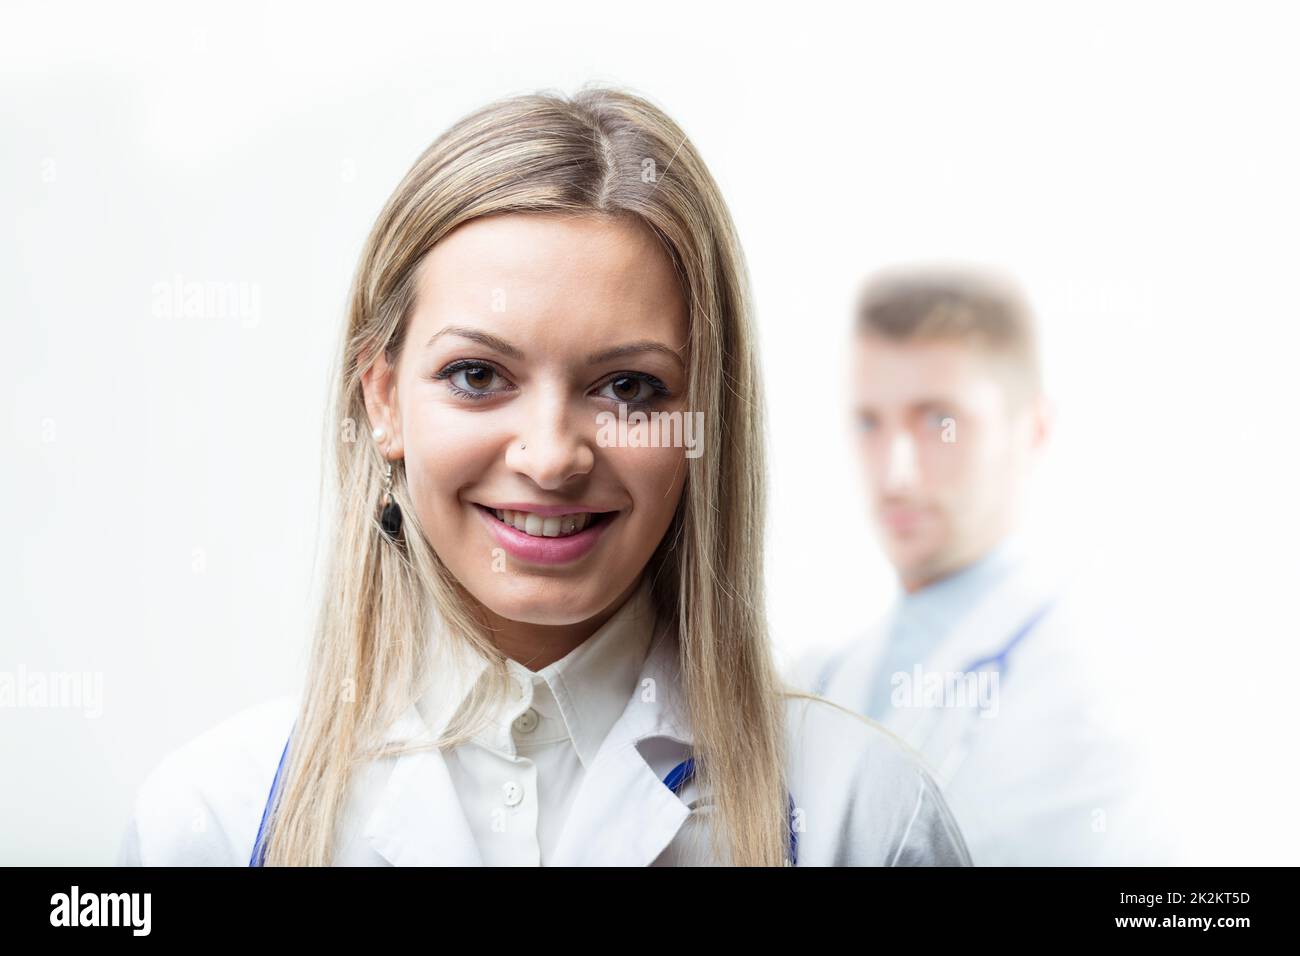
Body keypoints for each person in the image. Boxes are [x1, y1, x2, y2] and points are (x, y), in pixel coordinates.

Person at [116, 88, 971, 867]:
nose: (552, 455)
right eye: (478, 376)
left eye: (629, 387)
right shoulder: (213, 820)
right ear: (382, 401)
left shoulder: (864, 816)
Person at [793, 266, 1174, 865]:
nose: (895, 474)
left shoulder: (1093, 693)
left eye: (938, 423)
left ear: (1033, 430)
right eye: (870, 423)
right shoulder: (823, 676)